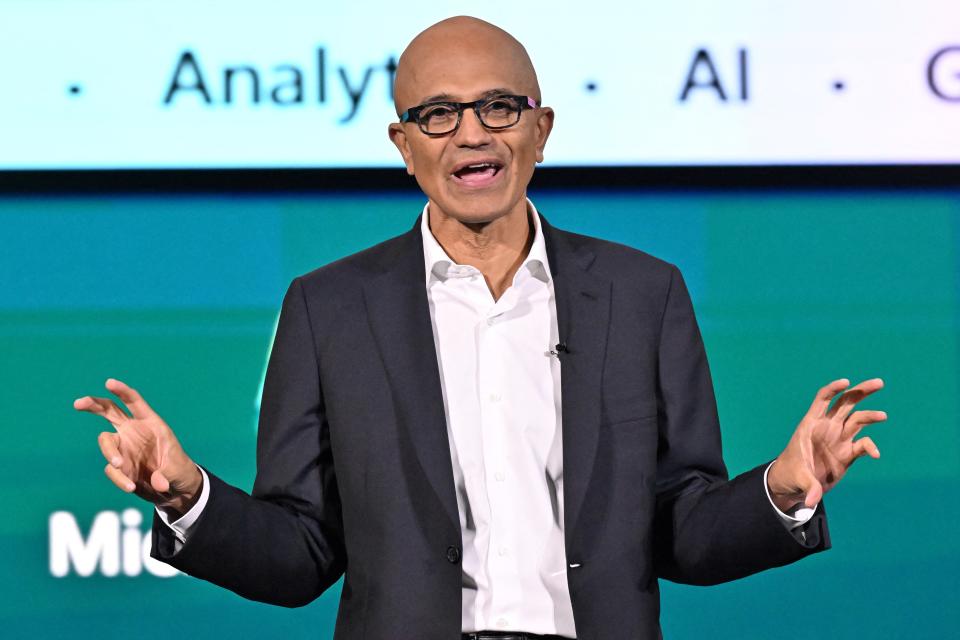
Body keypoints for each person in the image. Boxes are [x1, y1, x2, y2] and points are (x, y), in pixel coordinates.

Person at [73, 16, 887, 640]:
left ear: (540, 129)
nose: (471, 132)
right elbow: (300, 553)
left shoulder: (644, 295)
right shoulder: (330, 308)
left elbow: (686, 532)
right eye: (437, 114)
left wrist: (781, 490)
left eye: (499, 106)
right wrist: (188, 497)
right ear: (403, 145)